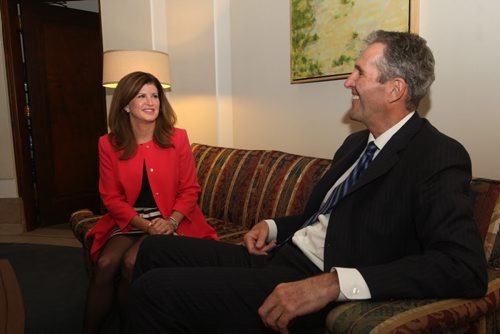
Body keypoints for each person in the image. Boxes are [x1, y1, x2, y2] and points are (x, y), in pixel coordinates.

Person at [126, 31, 488, 334]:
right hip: (280, 258)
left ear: (394, 89)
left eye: (359, 73)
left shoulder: (436, 156)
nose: (348, 82)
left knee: (153, 291)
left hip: (311, 280)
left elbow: (463, 267)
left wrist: (334, 283)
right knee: (154, 250)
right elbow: (326, 216)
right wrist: (271, 226)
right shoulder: (355, 145)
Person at [83, 71, 218, 333]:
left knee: (132, 262)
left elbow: (190, 189)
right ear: (125, 104)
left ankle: (131, 325)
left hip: (171, 218)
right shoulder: (108, 144)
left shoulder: (177, 138)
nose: (150, 102)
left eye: (155, 95)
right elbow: (111, 197)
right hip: (130, 220)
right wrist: (145, 225)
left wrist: (171, 221)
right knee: (106, 263)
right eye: (141, 96)